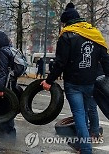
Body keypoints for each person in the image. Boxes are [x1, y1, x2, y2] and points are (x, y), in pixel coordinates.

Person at [40, 2, 109, 154]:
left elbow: (60, 63)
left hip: (73, 83)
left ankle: (85, 149)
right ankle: (84, 143)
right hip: (91, 82)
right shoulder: (95, 33)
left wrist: (49, 81)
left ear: (66, 22)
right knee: (86, 111)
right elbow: (105, 59)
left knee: (79, 114)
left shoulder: (66, 35)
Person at [0, 30, 20, 139]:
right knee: (2, 105)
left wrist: (1, 88)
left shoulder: (2, 52)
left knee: (4, 107)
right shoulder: (7, 50)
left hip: (6, 84)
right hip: (9, 82)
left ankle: (9, 133)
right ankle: (2, 129)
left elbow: (3, 71)